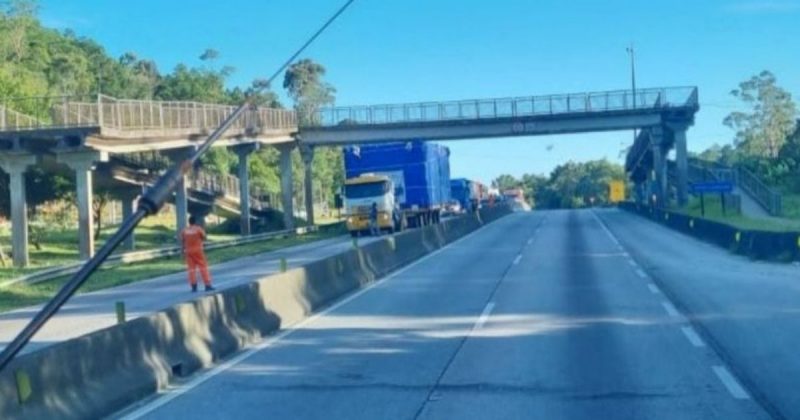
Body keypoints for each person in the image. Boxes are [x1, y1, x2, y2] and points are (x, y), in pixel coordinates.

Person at [180, 216, 215, 292]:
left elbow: (183, 242)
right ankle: (207, 285)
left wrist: (182, 251)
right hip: (198, 251)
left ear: (189, 222)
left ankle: (193, 286)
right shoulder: (198, 229)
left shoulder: (184, 230)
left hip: (188, 251)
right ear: (195, 222)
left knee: (191, 269)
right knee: (203, 267)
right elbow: (204, 237)